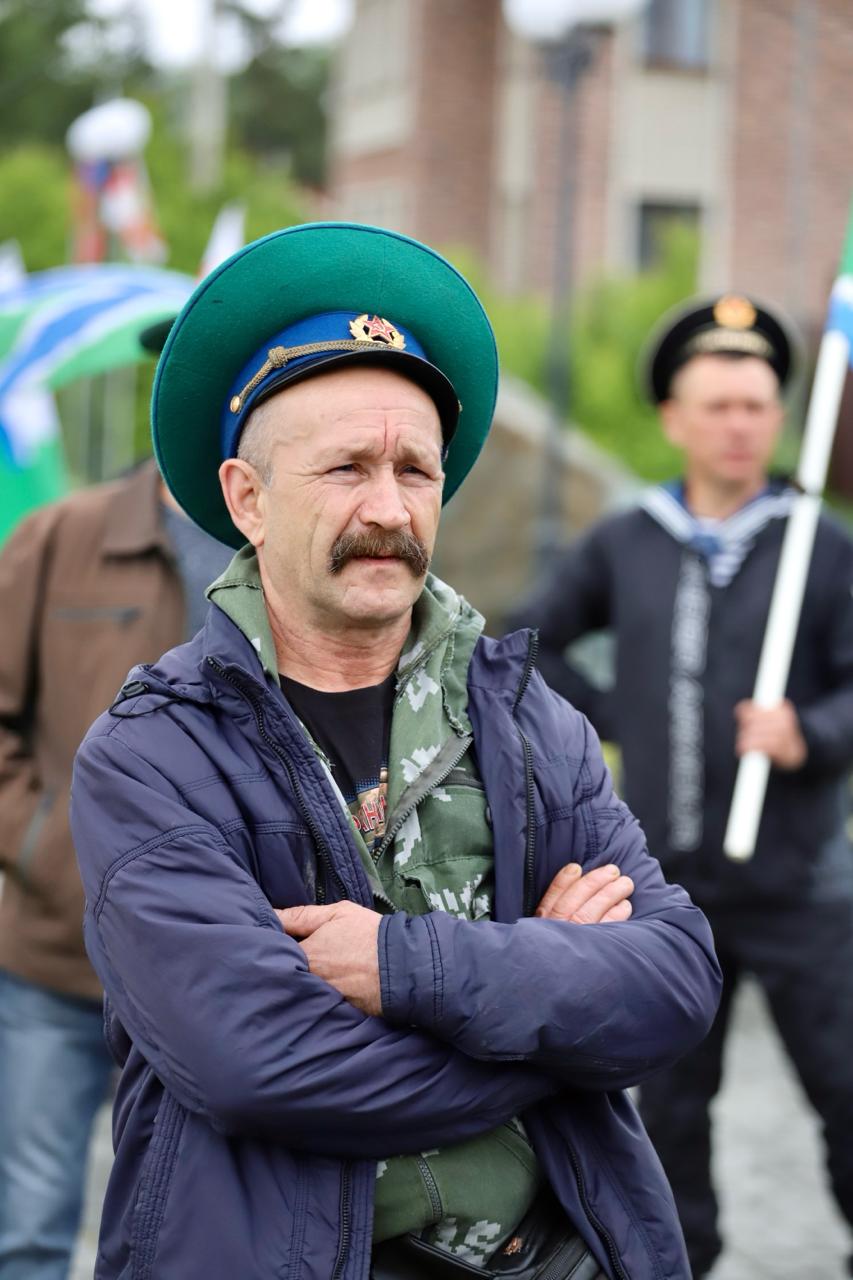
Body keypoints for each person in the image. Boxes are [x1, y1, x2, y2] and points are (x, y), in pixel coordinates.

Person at [69, 222, 721, 1280]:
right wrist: (551, 1022)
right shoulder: (155, 754)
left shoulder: (526, 718)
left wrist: (399, 965)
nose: (388, 507)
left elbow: (675, 979)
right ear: (246, 498)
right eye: (346, 467)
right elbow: (260, 1064)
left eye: (415, 468)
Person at [510, 294, 853, 1278]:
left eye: (755, 405)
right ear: (674, 418)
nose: (739, 424)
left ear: (779, 416)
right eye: (717, 405)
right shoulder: (628, 540)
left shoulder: (818, 545)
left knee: (846, 1089)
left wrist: (808, 732)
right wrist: (612, 713)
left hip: (801, 884)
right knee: (665, 1112)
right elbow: (525, 644)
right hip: (665, 888)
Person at [0, 450, 232, 1280]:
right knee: (29, 1227)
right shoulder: (64, 535)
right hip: (55, 961)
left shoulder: (279, 541)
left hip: (217, 976)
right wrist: (47, 847)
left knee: (191, 1240)